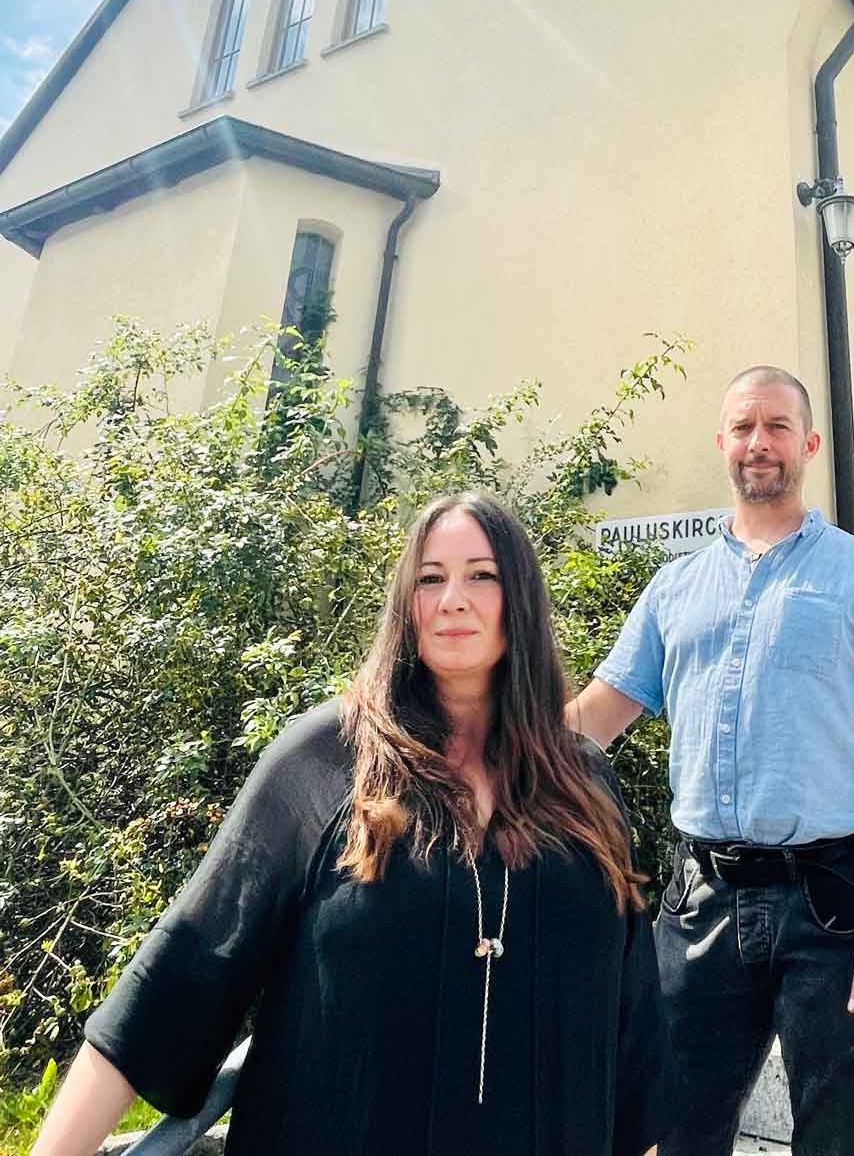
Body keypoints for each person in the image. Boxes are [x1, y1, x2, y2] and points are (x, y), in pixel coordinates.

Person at [34, 491, 673, 1156]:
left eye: (481, 574)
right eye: (431, 577)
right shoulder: (321, 762)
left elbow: (631, 1043)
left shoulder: (585, 782)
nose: (453, 598)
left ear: (521, 598)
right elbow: (178, 976)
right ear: (406, 603)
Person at [570, 366, 854, 1156]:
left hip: (838, 905)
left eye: (778, 426)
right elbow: (585, 726)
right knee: (665, 1132)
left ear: (808, 443)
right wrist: (470, 748)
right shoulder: (674, 587)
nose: (759, 443)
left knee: (844, 1141)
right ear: (722, 443)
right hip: (698, 903)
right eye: (743, 427)